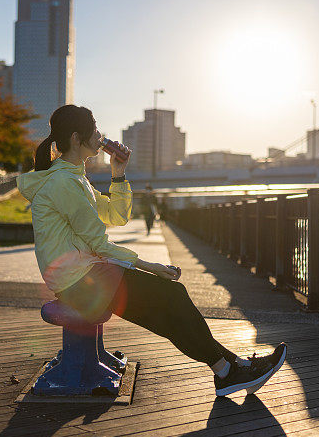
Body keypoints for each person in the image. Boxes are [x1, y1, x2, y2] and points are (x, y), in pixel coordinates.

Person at [17, 105, 286, 397]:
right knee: (169, 301)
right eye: (94, 130)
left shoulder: (75, 177)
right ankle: (228, 369)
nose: (100, 136)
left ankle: (228, 368)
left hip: (88, 275)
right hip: (79, 282)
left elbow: (116, 216)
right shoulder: (64, 182)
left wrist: (118, 175)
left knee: (169, 305)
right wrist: (150, 266)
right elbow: (98, 242)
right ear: (75, 138)